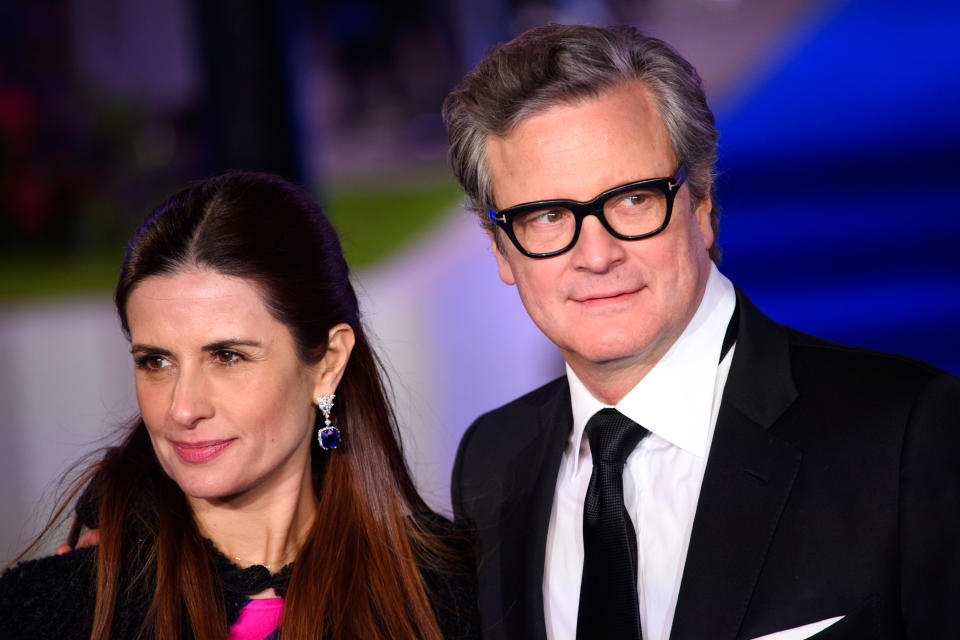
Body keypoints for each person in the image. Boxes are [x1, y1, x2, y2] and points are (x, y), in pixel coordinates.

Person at [443, 23, 960, 640]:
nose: (597, 254)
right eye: (548, 216)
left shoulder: (907, 431)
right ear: (502, 249)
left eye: (632, 199)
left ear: (703, 202)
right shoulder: (490, 461)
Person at [0, 172, 479, 639]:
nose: (182, 409)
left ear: (328, 363)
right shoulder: (51, 608)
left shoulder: (452, 593)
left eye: (227, 357)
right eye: (156, 361)